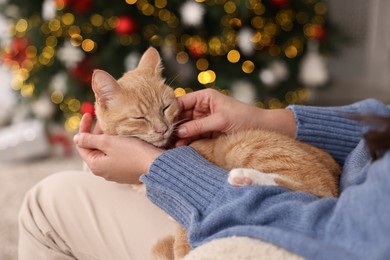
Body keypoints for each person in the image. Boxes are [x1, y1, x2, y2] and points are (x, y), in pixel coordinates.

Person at [18, 89, 390, 259]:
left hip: (302, 229)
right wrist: (273, 120)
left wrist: (161, 168)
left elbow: (342, 235)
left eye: (164, 109)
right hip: (347, 186)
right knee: (91, 175)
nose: (161, 125)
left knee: (45, 202)